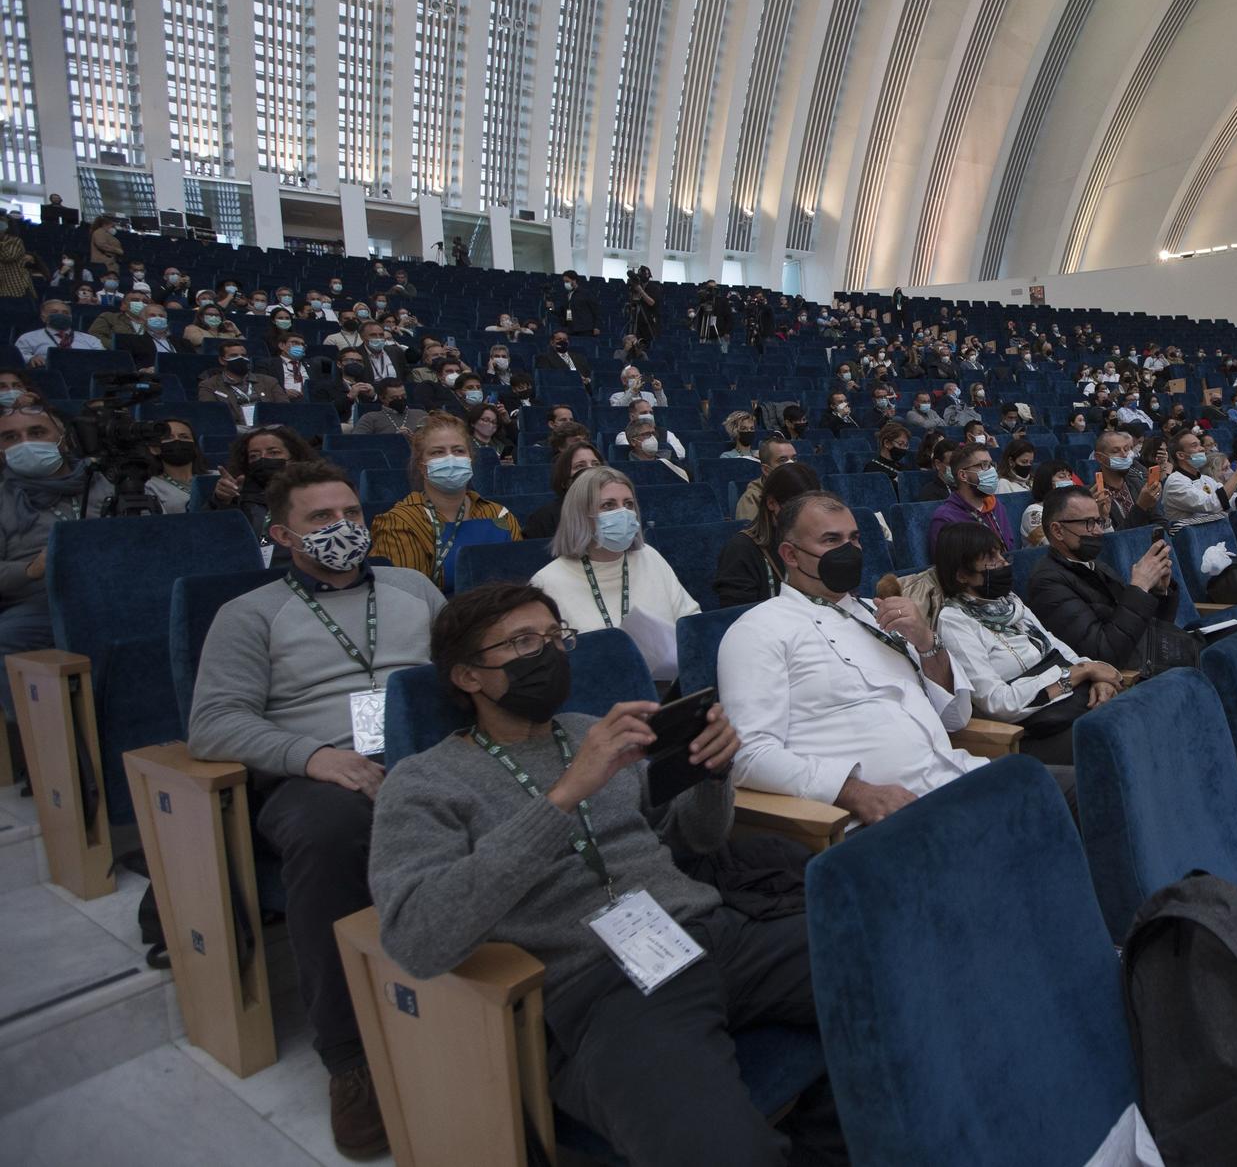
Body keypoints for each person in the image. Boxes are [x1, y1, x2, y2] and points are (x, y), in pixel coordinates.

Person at [370, 582, 844, 1167]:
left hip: (713, 933)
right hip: (603, 987)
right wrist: (566, 795)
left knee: (898, 970)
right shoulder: (424, 782)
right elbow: (418, 938)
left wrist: (710, 773)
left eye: (553, 637)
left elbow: (694, 837)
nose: (547, 653)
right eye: (522, 642)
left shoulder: (589, 730)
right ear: (468, 676)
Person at [189, 461, 448, 1158]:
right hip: (317, 772)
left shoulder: (413, 587)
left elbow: (463, 663)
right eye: (320, 519)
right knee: (331, 834)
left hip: (423, 750)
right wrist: (314, 757)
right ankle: (350, 1058)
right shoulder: (248, 615)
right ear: (280, 534)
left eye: (351, 514)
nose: (343, 528)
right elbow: (213, 723)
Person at [718, 493, 1000, 826]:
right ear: (790, 554)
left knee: (1061, 789)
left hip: (957, 776)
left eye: (854, 539)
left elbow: (955, 718)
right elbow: (749, 756)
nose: (848, 551)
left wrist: (927, 642)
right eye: (831, 540)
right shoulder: (759, 630)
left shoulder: (881, 612)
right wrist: (853, 792)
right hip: (889, 814)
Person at [933, 523, 1120, 764]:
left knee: (1136, 718)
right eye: (991, 557)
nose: (1004, 562)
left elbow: (1054, 646)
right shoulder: (954, 622)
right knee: (1118, 742)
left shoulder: (1008, 602)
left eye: (1001, 553)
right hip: (1033, 731)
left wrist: (1095, 676)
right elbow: (998, 703)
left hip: (1074, 704)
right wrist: (1077, 673)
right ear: (962, 575)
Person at [0, 403, 117, 742]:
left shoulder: (105, 482)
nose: (25, 442)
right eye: (10, 437)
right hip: (40, 602)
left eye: (37, 432)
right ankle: (51, 752)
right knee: (6, 637)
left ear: (63, 438)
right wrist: (31, 568)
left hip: (114, 590)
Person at [531, 467, 701, 679]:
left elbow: (690, 623)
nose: (623, 513)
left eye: (628, 504)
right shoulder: (546, 582)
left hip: (667, 686)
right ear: (580, 515)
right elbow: (550, 667)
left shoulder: (650, 557)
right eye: (608, 505)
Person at [1023, 485, 1178, 672]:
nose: (1097, 531)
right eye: (1088, 523)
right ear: (1057, 531)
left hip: (1152, 658)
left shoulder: (1096, 565)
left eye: (1098, 521)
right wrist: (1139, 587)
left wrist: (1158, 592)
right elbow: (1104, 655)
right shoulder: (1047, 583)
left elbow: (1153, 628)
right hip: (1128, 679)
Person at [370, 415, 521, 588]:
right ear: (422, 466)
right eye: (437, 452)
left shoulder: (500, 514)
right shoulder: (400, 522)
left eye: (458, 451)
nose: (450, 459)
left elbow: (518, 582)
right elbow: (406, 598)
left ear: (470, 459)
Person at [716, 461, 822, 607]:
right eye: (795, 509)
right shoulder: (740, 550)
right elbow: (738, 616)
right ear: (772, 503)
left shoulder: (816, 541)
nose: (805, 518)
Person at [208, 426, 320, 546]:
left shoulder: (318, 491)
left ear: (294, 458)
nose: (263, 459)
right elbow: (213, 537)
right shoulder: (238, 494)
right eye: (254, 456)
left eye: (273, 453)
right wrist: (223, 501)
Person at [927, 442, 1016, 552]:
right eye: (984, 465)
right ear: (963, 475)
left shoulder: (997, 506)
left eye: (991, 465)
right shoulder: (945, 519)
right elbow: (948, 565)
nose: (991, 471)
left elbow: (1010, 548)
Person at [1162, 428, 1237, 532]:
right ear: (1181, 455)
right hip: (1190, 541)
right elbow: (1212, 504)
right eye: (1195, 445)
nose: (1201, 448)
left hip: (1213, 534)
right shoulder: (1175, 482)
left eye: (1200, 444)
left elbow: (1235, 503)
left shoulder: (1206, 479)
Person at [523, 440, 606, 540]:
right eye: (580, 466)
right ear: (564, 481)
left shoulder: (615, 508)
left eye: (596, 464)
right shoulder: (543, 518)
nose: (591, 470)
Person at [196, 340, 288, 424]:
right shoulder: (209, 385)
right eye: (234, 356)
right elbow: (211, 414)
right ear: (222, 360)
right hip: (236, 428)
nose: (240, 359)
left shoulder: (269, 381)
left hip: (268, 426)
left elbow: (284, 408)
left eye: (243, 356)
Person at [1091, 430, 1162, 531]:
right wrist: (1141, 507)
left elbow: (1161, 522)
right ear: (1100, 458)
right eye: (1116, 451)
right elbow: (1113, 540)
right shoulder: (1095, 496)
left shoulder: (1139, 484)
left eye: (1126, 449)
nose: (1124, 455)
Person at [143, 417, 209, 514]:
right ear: (154, 449)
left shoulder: (215, 476)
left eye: (184, 437)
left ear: (195, 446)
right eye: (168, 438)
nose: (177, 440)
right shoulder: (150, 486)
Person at [16, 298, 106, 364]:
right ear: (43, 317)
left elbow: (102, 357)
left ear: (71, 317)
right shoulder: (28, 338)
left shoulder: (91, 339)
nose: (60, 315)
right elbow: (18, 355)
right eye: (54, 312)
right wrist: (31, 358)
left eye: (65, 313)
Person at [733, 436, 799, 522]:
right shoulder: (751, 499)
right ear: (766, 470)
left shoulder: (806, 487)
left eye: (794, 459)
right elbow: (752, 533)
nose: (791, 464)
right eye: (782, 460)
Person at [1018, 459, 1081, 547]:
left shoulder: (1072, 508)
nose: (1069, 481)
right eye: (1062, 477)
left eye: (1070, 477)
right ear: (1046, 482)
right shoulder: (1033, 512)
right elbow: (1050, 543)